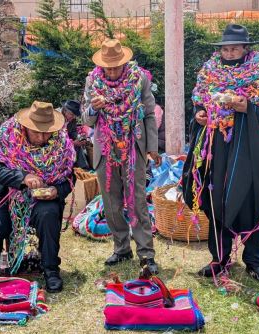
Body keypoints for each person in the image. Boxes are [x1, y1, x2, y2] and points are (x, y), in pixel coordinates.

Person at [182, 24, 259, 282]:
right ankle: (219, 259)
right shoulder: (209, 72)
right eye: (226, 48)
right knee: (217, 198)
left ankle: (254, 261)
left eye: (235, 47)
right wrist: (199, 115)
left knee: (256, 199)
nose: (230, 52)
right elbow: (200, 104)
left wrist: (249, 108)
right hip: (219, 151)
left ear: (246, 48)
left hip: (252, 151)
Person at [0, 101, 75, 293]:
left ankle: (51, 270)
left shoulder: (63, 145)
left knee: (49, 214)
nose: (42, 137)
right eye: (36, 132)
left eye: (46, 132)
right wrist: (23, 177)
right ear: (25, 127)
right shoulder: (7, 137)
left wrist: (56, 191)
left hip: (42, 202)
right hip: (9, 199)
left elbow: (70, 178)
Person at [82, 39, 161, 274]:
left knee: (137, 201)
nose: (113, 71)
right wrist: (94, 108)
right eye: (109, 67)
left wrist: (152, 147)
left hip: (132, 145)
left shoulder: (139, 80)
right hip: (105, 149)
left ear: (125, 63)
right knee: (111, 202)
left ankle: (146, 253)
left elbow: (148, 113)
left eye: (117, 66)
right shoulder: (92, 82)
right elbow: (86, 119)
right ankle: (121, 248)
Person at [61, 99, 90, 170]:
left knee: (78, 145)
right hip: (58, 146)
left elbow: (73, 132)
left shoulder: (72, 120)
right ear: (65, 111)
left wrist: (79, 139)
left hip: (67, 141)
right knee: (75, 145)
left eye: (75, 115)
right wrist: (73, 143)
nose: (74, 117)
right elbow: (57, 141)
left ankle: (83, 168)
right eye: (72, 114)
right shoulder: (58, 120)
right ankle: (68, 170)